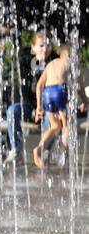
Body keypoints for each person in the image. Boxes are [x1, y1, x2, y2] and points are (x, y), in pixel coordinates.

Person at [32, 32, 73, 170]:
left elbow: (39, 85)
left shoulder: (51, 64)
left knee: (55, 126)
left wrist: (39, 107)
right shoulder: (69, 64)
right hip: (60, 91)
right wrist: (86, 101)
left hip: (47, 94)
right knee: (66, 125)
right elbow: (79, 85)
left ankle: (39, 149)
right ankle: (63, 155)